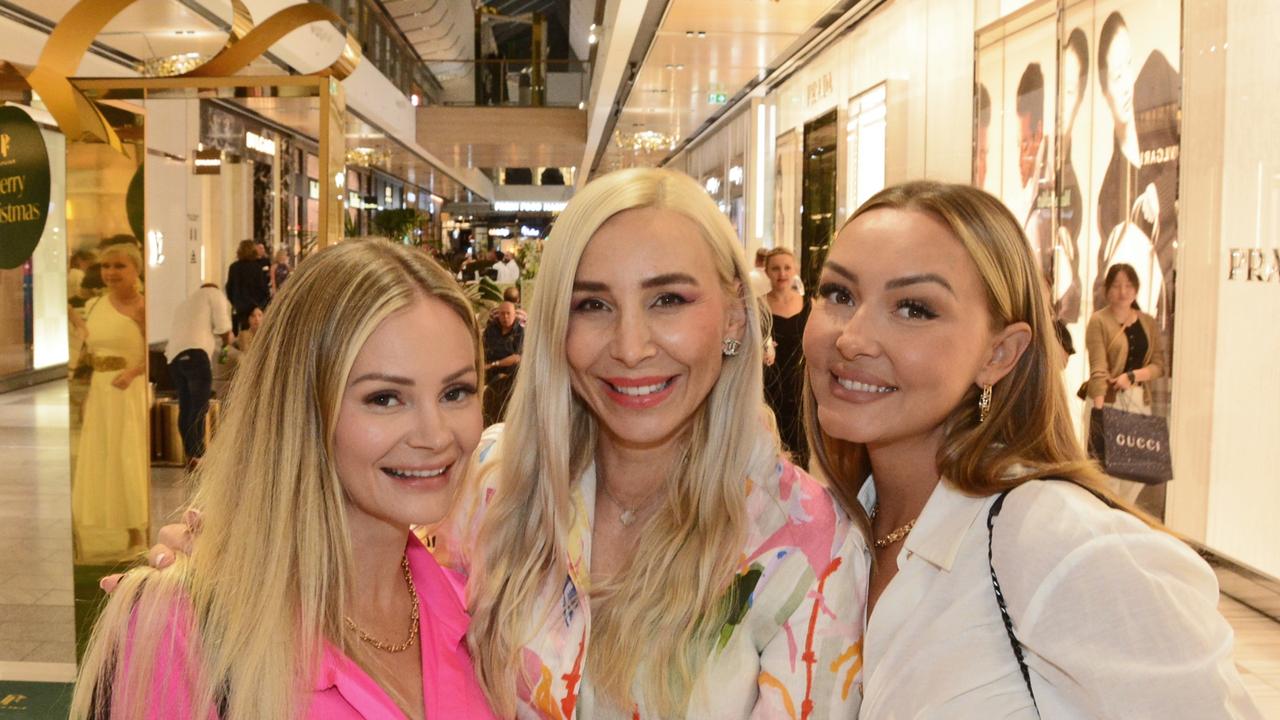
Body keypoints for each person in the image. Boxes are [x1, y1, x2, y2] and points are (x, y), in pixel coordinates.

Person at [802, 180, 1260, 718]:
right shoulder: (839, 527)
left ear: (999, 353)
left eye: (914, 309)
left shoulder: (1056, 539)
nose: (852, 338)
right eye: (839, 294)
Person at [446, 167, 864, 718]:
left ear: (735, 316)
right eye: (592, 305)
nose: (630, 347)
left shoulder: (807, 541)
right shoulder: (496, 477)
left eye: (668, 299)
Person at [72, 240, 497, 720]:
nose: (435, 435)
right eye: (384, 398)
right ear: (302, 409)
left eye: (456, 392)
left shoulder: (475, 610)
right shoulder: (184, 627)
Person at [1094, 11, 1180, 328]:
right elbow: (1103, 282)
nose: (1128, 84)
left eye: (1128, 65)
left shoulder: (1159, 83)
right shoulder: (1110, 192)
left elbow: (1204, 155)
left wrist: (1163, 191)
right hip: (1150, 325)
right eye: (1117, 77)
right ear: (1104, 91)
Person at [70, 237, 149, 561]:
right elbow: (91, 348)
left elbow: (153, 356)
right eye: (105, 266)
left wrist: (132, 373)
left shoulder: (143, 307)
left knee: (127, 456)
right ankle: (116, 528)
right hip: (101, 392)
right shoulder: (94, 305)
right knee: (105, 457)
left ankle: (137, 532)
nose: (111, 272)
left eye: (119, 266)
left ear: (135, 269)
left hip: (128, 393)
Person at [1084, 263, 1165, 503]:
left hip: (1139, 401)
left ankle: (1122, 514)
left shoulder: (1148, 322)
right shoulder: (1098, 321)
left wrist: (1132, 376)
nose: (1123, 291)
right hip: (1108, 402)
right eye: (1117, 285)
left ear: (1136, 289)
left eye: (1128, 285)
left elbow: (1159, 365)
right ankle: (1107, 521)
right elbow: (1098, 367)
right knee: (1108, 475)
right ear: (1107, 289)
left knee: (1137, 471)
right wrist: (1098, 414)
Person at [165, 283, 233, 468]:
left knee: (186, 407)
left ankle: (190, 454)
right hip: (196, 354)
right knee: (199, 406)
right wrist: (229, 341)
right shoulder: (214, 294)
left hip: (174, 358)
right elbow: (223, 326)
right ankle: (199, 454)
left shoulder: (185, 304)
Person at [761, 247, 810, 467]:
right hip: (770, 385)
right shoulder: (758, 306)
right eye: (776, 268)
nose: (782, 273)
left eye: (787, 268)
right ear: (767, 272)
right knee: (771, 446)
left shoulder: (810, 305)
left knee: (801, 446)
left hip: (801, 385)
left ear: (795, 270)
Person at [482, 301, 523, 424]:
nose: (505, 317)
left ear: (514, 314)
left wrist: (494, 364)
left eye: (508, 314)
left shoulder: (519, 333)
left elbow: (516, 357)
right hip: (488, 372)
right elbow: (481, 349)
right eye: (502, 314)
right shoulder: (491, 330)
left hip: (509, 375)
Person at [225, 239, 270, 332]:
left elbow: (229, 288)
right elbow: (264, 290)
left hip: (239, 307)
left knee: (240, 334)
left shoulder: (234, 267)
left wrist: (235, 302)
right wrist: (259, 306)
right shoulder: (257, 267)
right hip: (254, 309)